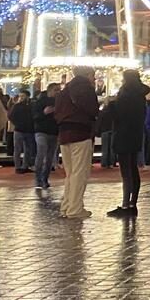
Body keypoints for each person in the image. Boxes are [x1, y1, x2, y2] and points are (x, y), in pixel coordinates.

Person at [99, 70, 149, 217]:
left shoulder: (127, 95)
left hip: (123, 135)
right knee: (132, 169)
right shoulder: (139, 95)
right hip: (135, 135)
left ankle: (127, 205)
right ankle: (132, 203)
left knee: (126, 172)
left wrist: (110, 105)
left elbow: (119, 115)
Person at [54, 66, 99, 220]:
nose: (94, 79)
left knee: (70, 173)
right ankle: (75, 208)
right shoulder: (85, 89)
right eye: (93, 75)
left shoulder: (63, 91)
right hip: (81, 132)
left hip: (64, 133)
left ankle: (66, 206)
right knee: (80, 172)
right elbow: (92, 110)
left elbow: (56, 112)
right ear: (87, 75)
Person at [32, 81, 61, 195]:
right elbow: (34, 116)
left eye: (59, 90)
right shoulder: (40, 101)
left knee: (50, 157)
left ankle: (45, 178)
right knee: (41, 151)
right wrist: (44, 113)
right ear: (49, 90)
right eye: (56, 90)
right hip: (41, 131)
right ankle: (38, 178)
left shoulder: (59, 102)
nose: (58, 92)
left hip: (54, 132)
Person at [9, 88, 36, 172]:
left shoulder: (32, 106)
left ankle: (25, 166)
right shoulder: (16, 106)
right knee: (17, 149)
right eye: (20, 96)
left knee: (28, 149)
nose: (21, 98)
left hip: (29, 130)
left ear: (28, 96)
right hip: (19, 130)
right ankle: (17, 167)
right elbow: (10, 116)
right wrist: (17, 124)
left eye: (23, 96)